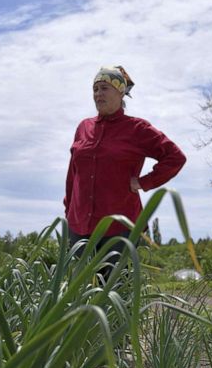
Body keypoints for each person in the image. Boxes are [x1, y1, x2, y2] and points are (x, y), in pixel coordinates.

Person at [63, 65, 186, 278]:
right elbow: (73, 174)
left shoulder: (137, 129)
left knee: (113, 291)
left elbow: (175, 157)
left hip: (118, 227)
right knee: (82, 292)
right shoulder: (83, 127)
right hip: (79, 226)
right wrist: (68, 209)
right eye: (95, 89)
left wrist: (143, 182)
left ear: (120, 92)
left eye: (104, 88)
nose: (98, 94)